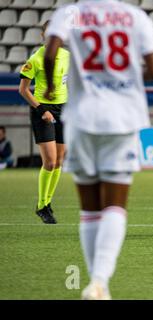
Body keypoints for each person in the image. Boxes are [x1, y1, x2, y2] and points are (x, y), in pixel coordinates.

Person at [43, 0, 153, 299]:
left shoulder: (69, 13)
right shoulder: (134, 16)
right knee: (114, 205)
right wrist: (125, 76)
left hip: (81, 117)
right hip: (122, 118)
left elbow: (50, 50)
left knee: (89, 207)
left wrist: (48, 86)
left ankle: (98, 284)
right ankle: (99, 282)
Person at [19, 20, 69, 224]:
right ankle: (41, 206)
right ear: (43, 36)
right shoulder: (36, 59)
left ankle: (48, 203)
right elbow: (23, 90)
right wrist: (41, 109)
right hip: (42, 111)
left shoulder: (67, 57)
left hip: (63, 109)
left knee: (59, 161)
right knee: (49, 161)